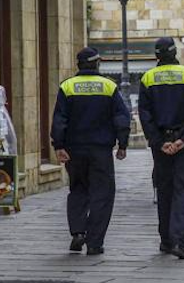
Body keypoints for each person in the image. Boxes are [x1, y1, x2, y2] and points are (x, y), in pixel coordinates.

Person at [50, 47, 131, 256]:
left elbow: (59, 119)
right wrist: (122, 144)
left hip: (74, 150)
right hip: (100, 151)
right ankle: (94, 242)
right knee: (102, 194)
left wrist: (58, 146)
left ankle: (78, 232)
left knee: (77, 189)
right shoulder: (108, 86)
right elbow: (121, 118)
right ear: (97, 63)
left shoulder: (67, 87)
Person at [138, 37, 184, 260]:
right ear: (176, 52)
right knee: (183, 190)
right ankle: (179, 240)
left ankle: (166, 240)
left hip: (161, 146)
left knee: (164, 190)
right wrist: (183, 140)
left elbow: (145, 115)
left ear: (156, 55)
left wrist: (159, 142)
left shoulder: (148, 78)